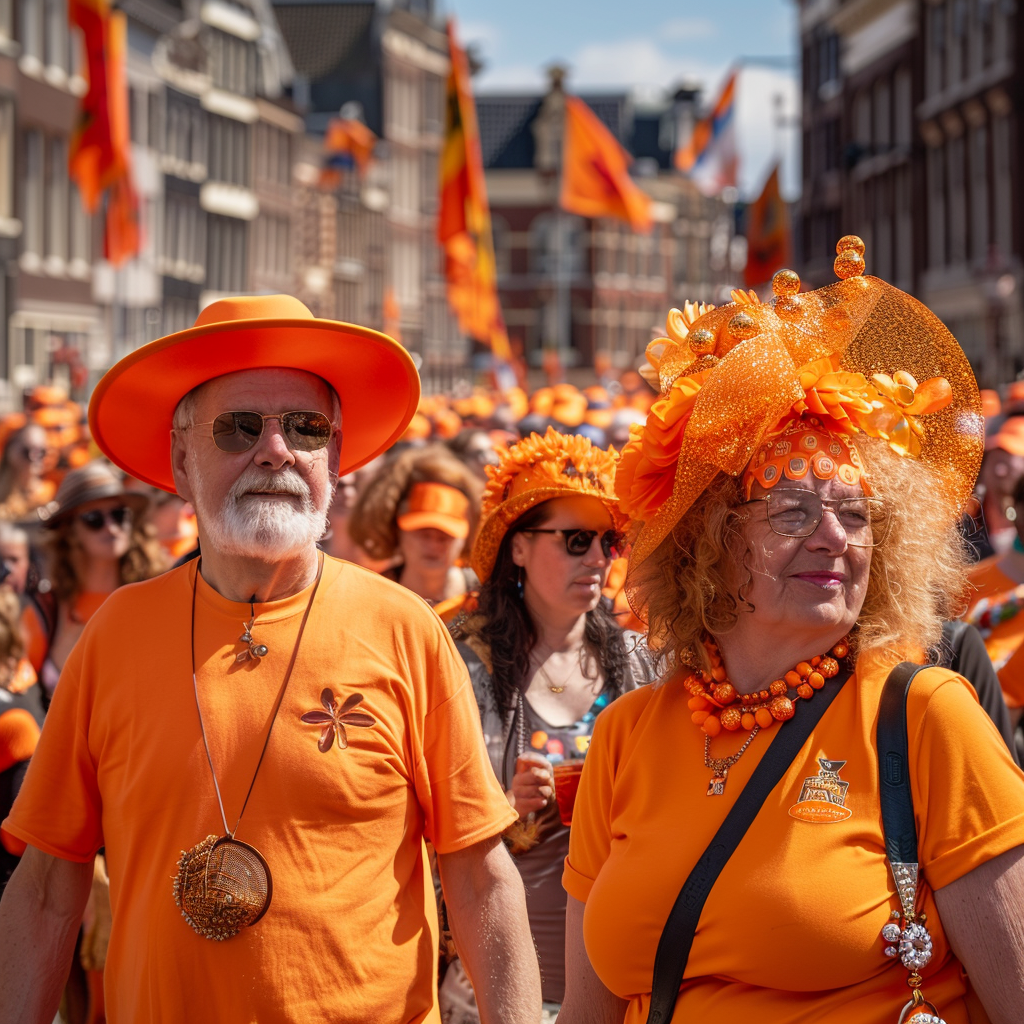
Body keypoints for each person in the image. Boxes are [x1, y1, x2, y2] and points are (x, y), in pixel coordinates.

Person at [0, 294, 540, 1024]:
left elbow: (480, 880)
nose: (276, 450)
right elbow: (44, 888)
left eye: (306, 428)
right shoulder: (117, 633)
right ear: (182, 458)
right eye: (241, 427)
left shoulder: (405, 629)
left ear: (336, 459)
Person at [558, 244, 1024, 1024]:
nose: (835, 538)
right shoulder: (626, 735)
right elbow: (587, 1011)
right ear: (710, 544)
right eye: (793, 512)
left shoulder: (926, 717)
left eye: (855, 514)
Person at [446, 428, 655, 1018]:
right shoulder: (462, 669)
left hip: (624, 990)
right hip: (497, 993)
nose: (597, 559)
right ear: (517, 548)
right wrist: (500, 807)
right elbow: (419, 834)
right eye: (575, 540)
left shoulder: (641, 663)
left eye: (607, 541)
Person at [22, 462, 160, 704]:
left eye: (119, 515)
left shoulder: (160, 593)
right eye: (94, 518)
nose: (111, 527)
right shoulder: (46, 610)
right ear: (71, 531)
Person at [349, 444, 482, 606]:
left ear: (466, 538)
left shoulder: (487, 598)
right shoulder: (370, 599)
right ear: (396, 531)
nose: (433, 543)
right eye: (422, 532)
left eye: (445, 535)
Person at [0, 422, 54, 521]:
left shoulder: (52, 493)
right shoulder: (3, 494)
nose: (34, 458)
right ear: (10, 451)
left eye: (41, 452)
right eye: (27, 451)